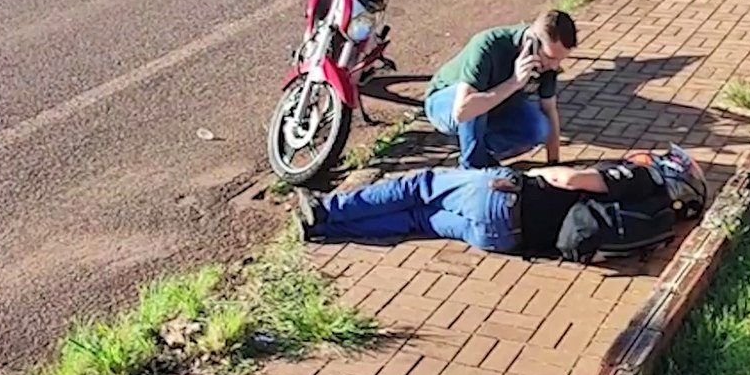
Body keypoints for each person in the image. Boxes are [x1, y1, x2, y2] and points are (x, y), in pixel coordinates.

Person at [290, 145, 704, 258]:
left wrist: (537, 174)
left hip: (503, 197)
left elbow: (569, 179)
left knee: (419, 186)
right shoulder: (654, 227)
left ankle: (326, 211)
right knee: (419, 219)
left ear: (667, 172)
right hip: (504, 240)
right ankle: (324, 231)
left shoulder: (639, 180)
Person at [422, 9, 578, 170]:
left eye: (560, 60)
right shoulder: (487, 44)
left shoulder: (547, 63)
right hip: (444, 103)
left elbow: (549, 109)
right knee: (477, 102)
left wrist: (554, 164)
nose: (554, 66)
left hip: (494, 105)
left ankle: (481, 151)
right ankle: (472, 168)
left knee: (538, 128)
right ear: (531, 43)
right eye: (551, 58)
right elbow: (462, 111)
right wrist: (514, 82)